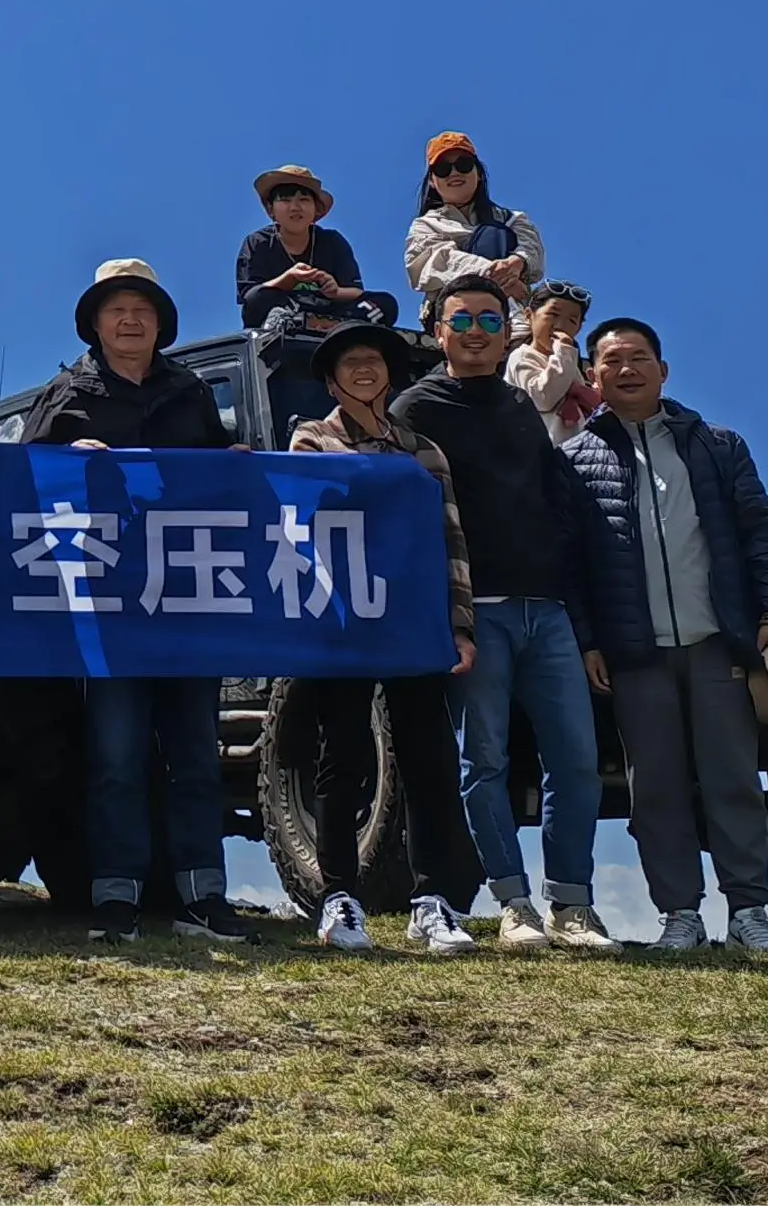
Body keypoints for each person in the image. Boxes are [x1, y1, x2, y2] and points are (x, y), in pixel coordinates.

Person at [15, 261, 252, 946]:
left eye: (142, 310)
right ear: (94, 323)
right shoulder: (66, 395)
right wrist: (69, 459)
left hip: (187, 601)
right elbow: (19, 482)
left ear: (160, 323)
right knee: (116, 758)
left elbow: (220, 481)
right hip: (107, 607)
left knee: (196, 757)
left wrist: (238, 461)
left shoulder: (190, 392)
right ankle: (115, 895)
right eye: (116, 310)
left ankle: (203, 895)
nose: (129, 321)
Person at [390, 279, 620, 952]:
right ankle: (514, 903)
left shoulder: (521, 403)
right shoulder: (414, 407)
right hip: (474, 611)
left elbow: (554, 504)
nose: (476, 331)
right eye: (461, 319)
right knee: (483, 759)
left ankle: (572, 905)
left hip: (547, 608)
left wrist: (580, 616)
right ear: (438, 331)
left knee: (576, 760)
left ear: (507, 332)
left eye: (491, 320)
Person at [562, 317, 768, 953]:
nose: (626, 370)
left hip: (717, 641)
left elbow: (759, 534)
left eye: (639, 358)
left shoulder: (717, 445)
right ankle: (680, 915)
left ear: (663, 371)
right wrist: (588, 641)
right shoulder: (574, 459)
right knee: (654, 788)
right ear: (592, 376)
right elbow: (572, 564)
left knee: (733, 779)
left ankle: (750, 912)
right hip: (635, 652)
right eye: (612, 360)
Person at [287, 322, 481, 955]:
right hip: (341, 623)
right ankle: (339, 897)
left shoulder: (424, 451)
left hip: (413, 621)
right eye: (350, 363)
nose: (365, 370)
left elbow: (452, 541)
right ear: (331, 381)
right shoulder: (312, 439)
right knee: (342, 756)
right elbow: (307, 509)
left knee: (429, 759)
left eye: (374, 360)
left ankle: (433, 901)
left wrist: (460, 624)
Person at [236, 166, 396, 335]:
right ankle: (284, 322)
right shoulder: (258, 242)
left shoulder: (332, 241)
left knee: (386, 303)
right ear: (271, 210)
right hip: (285, 308)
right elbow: (250, 296)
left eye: (304, 200)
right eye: (285, 200)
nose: (295, 207)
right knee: (258, 299)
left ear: (315, 209)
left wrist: (335, 291)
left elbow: (356, 291)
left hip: (330, 311)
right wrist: (287, 279)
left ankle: (348, 327)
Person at [402, 132, 544, 313]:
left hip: (513, 315)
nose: (454, 173)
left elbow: (532, 250)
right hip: (455, 314)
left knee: (495, 235)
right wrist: (495, 275)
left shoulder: (512, 219)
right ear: (432, 181)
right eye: (443, 169)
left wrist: (518, 261)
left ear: (479, 173)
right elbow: (435, 262)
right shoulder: (425, 226)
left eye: (464, 165)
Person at [505, 281, 601, 445]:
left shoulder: (569, 360)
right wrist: (564, 351)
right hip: (538, 449)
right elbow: (543, 398)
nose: (561, 326)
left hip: (575, 449)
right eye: (553, 314)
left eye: (572, 321)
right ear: (529, 315)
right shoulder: (522, 356)